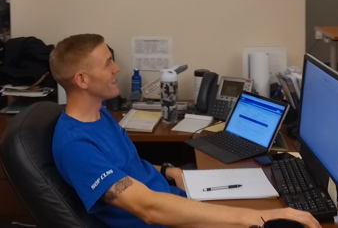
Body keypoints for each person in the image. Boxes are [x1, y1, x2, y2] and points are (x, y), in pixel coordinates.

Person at [50, 34, 320, 228]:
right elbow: (149, 209)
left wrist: (170, 171)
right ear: (82, 79)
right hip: (165, 218)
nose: (116, 68)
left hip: (177, 201)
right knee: (269, 214)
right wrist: (258, 219)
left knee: (272, 201)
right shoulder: (76, 146)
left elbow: (128, 166)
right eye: (108, 63)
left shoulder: (100, 115)